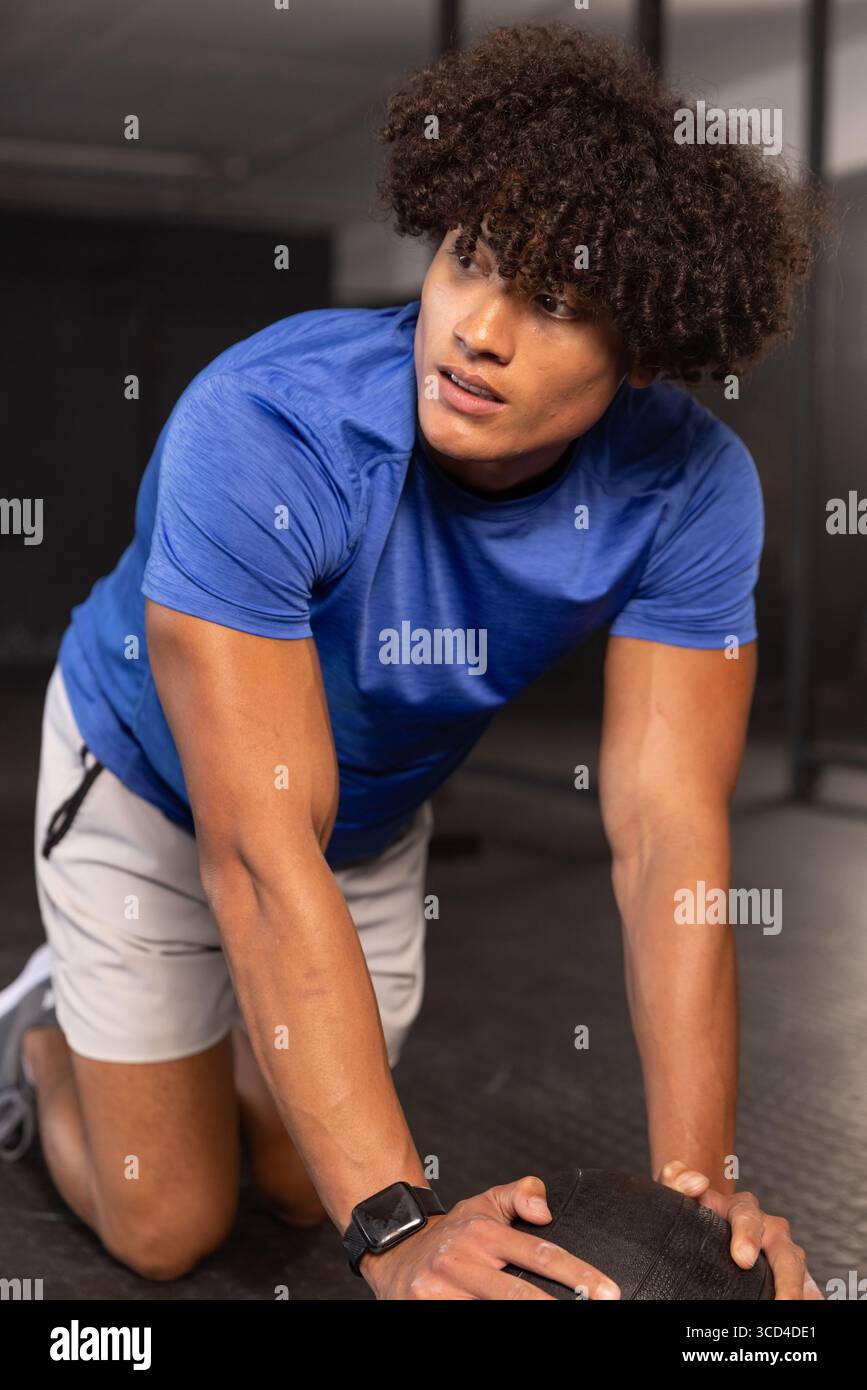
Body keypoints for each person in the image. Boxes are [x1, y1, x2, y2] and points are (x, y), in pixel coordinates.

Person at [0, 23, 828, 1299]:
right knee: (169, 1223)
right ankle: (38, 1039)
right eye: (468, 262)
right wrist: (394, 1228)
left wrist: (695, 1200)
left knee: (293, 1178)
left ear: (647, 351)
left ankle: (193, 1061)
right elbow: (260, 852)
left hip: (367, 810)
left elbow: (670, 840)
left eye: (553, 302)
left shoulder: (692, 488)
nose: (477, 331)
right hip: (156, 791)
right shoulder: (268, 427)